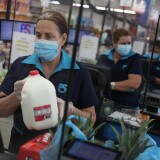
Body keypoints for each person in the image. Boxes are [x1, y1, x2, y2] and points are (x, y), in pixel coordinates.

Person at [0, 10, 98, 153]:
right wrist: (16, 96)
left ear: (63, 39)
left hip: (61, 149)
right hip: (22, 146)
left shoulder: (78, 72)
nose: (42, 40)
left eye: (49, 36)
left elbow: (92, 119)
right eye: (38, 35)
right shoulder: (21, 65)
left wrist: (70, 110)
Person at [97, 28, 142, 109]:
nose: (126, 46)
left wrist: (109, 85)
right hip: (105, 103)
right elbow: (96, 78)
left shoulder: (134, 58)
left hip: (127, 106)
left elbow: (134, 83)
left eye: (129, 43)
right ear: (114, 43)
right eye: (123, 43)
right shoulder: (104, 57)